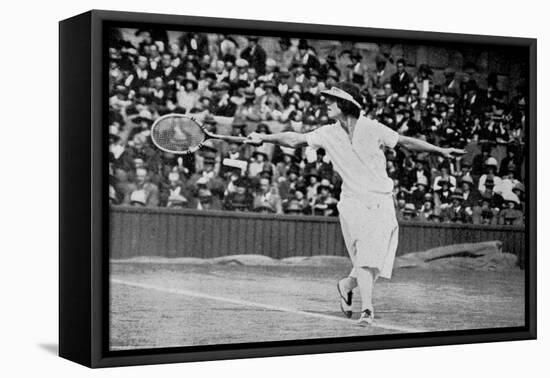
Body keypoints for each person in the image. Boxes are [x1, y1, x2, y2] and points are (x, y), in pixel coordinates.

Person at [247, 82, 463, 326]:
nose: (326, 103)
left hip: (382, 200)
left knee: (376, 261)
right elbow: (295, 140)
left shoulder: (373, 128)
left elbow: (405, 141)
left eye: (331, 99)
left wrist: (440, 150)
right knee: (365, 256)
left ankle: (347, 284)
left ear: (345, 103)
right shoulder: (327, 133)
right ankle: (368, 310)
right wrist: (264, 137)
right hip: (353, 202)